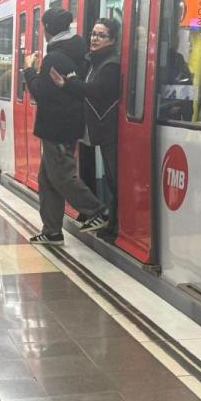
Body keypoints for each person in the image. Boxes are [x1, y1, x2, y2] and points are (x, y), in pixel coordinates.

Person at [23, 8, 107, 245]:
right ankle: (52, 231)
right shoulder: (77, 49)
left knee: (61, 175)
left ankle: (97, 211)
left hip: (57, 126)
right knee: (47, 178)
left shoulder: (55, 57)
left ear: (47, 28)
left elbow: (41, 93)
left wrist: (28, 70)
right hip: (68, 122)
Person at [49, 18, 122, 243]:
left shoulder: (110, 64)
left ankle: (115, 225)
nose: (94, 38)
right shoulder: (96, 62)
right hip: (102, 130)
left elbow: (96, 91)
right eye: (93, 33)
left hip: (109, 131)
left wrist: (68, 83)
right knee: (111, 178)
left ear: (112, 40)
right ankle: (112, 223)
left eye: (101, 35)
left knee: (114, 179)